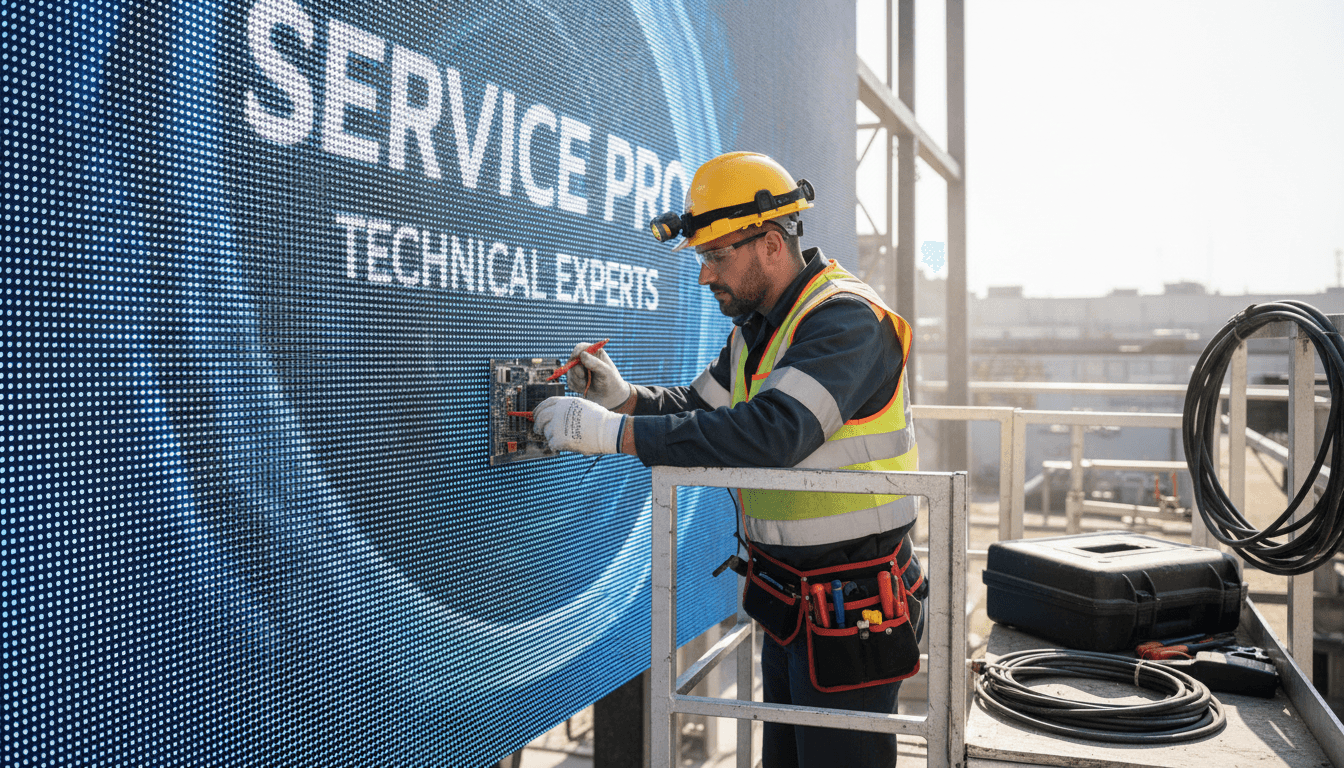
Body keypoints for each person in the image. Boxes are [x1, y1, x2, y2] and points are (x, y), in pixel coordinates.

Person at [532, 151, 925, 768]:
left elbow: (774, 434)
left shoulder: (845, 320)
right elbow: (698, 407)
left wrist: (614, 434)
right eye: (702, 258)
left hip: (855, 610)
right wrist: (624, 399)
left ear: (770, 243)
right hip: (792, 605)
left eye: (716, 256)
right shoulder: (758, 329)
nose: (705, 275)